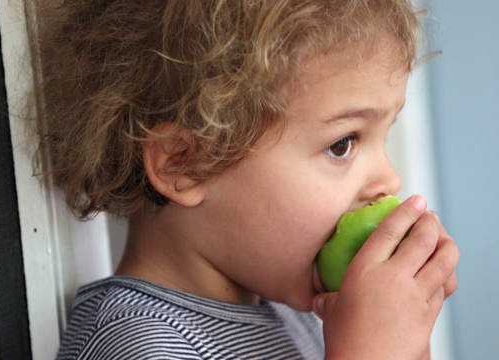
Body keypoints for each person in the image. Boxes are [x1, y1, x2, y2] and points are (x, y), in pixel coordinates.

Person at [29, 1, 459, 359]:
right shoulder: (134, 343)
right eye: (343, 144)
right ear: (184, 164)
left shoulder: (289, 311)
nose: (390, 179)